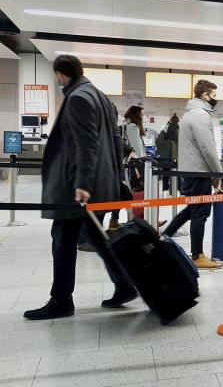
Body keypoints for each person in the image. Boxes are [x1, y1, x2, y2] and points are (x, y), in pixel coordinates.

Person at [25, 54, 136, 320]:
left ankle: (61, 301)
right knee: (96, 236)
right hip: (102, 183)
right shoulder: (101, 97)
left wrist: (83, 184)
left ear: (60, 74)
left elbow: (85, 145)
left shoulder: (77, 98)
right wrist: (118, 178)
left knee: (62, 240)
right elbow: (115, 142)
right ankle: (124, 285)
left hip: (79, 187)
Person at [161, 80, 223, 270]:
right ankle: (197, 255)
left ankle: (164, 237)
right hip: (199, 171)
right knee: (200, 213)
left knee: (191, 209)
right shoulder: (200, 115)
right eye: (213, 96)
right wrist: (219, 173)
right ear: (205, 96)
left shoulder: (189, 114)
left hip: (192, 170)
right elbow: (207, 147)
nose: (215, 99)